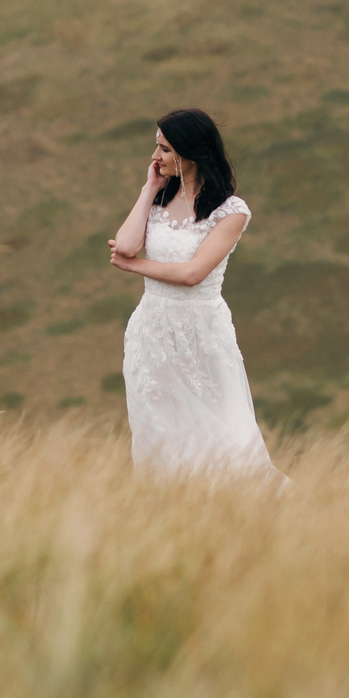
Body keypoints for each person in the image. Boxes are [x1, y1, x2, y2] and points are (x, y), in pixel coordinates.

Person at [106, 109, 285, 481]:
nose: (156, 157)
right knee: (159, 433)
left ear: (190, 153)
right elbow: (124, 245)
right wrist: (149, 190)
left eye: (165, 149)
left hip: (200, 332)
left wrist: (135, 267)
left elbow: (193, 273)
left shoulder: (230, 211)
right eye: (156, 147)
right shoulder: (158, 201)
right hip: (151, 333)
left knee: (224, 434)